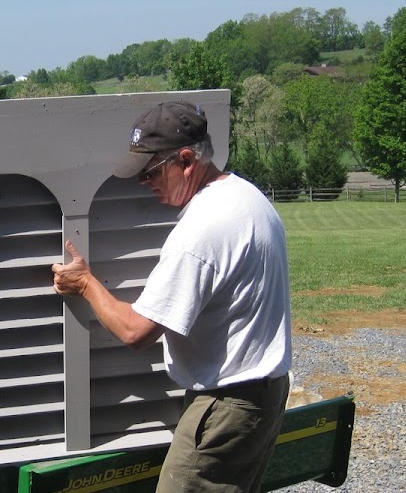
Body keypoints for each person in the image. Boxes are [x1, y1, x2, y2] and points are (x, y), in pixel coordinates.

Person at [52, 100, 292, 493]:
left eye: (150, 172)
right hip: (260, 395)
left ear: (185, 160)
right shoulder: (247, 198)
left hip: (227, 405)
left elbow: (136, 331)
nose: (143, 183)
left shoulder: (202, 230)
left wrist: (85, 284)